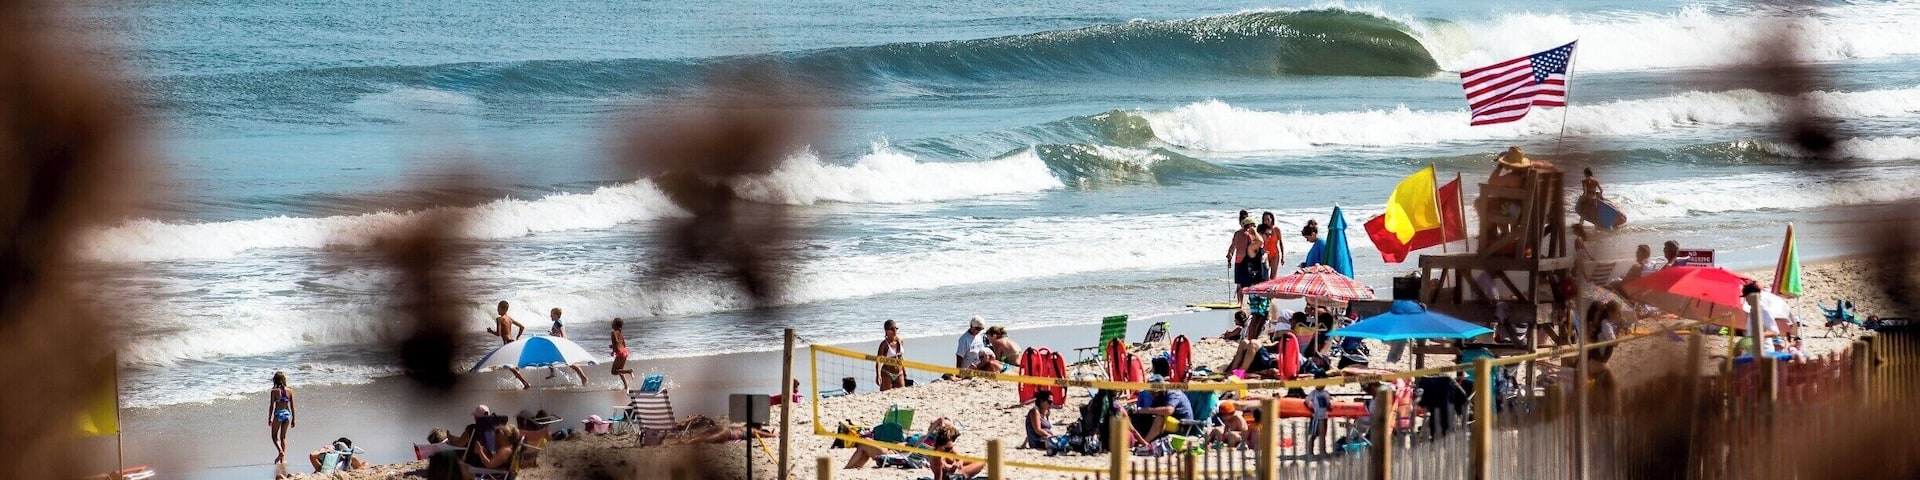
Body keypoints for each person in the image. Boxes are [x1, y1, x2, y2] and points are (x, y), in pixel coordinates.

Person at [1128, 376, 1194, 441]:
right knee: (1140, 417)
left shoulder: (1173, 393)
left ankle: (1145, 443)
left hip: (1183, 425)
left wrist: (1146, 410)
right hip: (1170, 422)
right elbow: (1153, 409)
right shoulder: (1158, 396)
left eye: (1154, 392)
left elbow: (1169, 411)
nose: (1152, 395)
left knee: (1159, 418)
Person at [487, 301, 532, 389]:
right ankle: (520, 378)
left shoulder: (499, 319)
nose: (497, 310)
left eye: (498, 308)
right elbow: (522, 327)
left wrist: (490, 331)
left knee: (509, 365)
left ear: (503, 309)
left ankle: (525, 383)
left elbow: (498, 334)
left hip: (507, 343)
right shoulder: (509, 318)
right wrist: (518, 337)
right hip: (512, 342)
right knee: (510, 365)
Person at [542, 307, 591, 383]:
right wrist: (552, 334)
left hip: (560, 344)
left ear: (556, 315)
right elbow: (558, 334)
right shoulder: (557, 322)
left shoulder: (558, 322)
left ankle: (583, 377)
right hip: (558, 344)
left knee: (569, 362)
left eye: (551, 314)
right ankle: (552, 372)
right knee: (548, 356)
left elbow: (562, 331)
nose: (550, 316)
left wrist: (564, 340)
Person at [1227, 216, 1265, 305]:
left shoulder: (1237, 233)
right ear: (1250, 225)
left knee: (1239, 284)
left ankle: (1240, 303)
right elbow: (1260, 243)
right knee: (1250, 283)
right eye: (1254, 226)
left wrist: (1230, 257)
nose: (1255, 227)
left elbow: (1232, 247)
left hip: (1237, 260)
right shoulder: (1249, 235)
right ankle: (1251, 301)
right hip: (1246, 261)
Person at [268, 371, 296, 464]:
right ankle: (282, 459)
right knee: (283, 437)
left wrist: (269, 418)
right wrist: (293, 419)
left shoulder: (274, 391)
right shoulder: (290, 391)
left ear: (275, 380)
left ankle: (280, 451)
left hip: (278, 414)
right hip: (287, 414)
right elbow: (292, 406)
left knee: (274, 435)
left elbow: (272, 406)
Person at [876, 319, 906, 391]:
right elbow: (879, 361)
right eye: (892, 329)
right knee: (885, 394)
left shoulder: (900, 340)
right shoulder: (884, 344)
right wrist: (878, 375)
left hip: (899, 372)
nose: (895, 330)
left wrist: (904, 371)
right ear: (886, 330)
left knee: (901, 393)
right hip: (887, 373)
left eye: (896, 328)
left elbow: (901, 357)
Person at [1306, 384, 1332, 456]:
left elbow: (1328, 403)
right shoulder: (1313, 393)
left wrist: (1329, 407)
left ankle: (1323, 451)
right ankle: (1310, 451)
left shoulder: (1326, 393)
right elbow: (1306, 401)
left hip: (1324, 417)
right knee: (1314, 435)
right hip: (1316, 418)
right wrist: (1311, 408)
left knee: (1323, 435)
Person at [1260, 211, 1286, 278]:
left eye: (1268, 219)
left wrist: (1283, 256)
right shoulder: (1261, 230)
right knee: (1264, 276)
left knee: (1273, 276)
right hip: (1265, 254)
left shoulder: (1276, 230)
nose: (1266, 221)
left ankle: (1272, 288)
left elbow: (1280, 243)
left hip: (1275, 254)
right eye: (1265, 220)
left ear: (1272, 219)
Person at [610, 318, 632, 391]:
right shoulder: (621, 332)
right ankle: (626, 386)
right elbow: (624, 344)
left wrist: (613, 351)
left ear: (615, 325)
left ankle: (629, 371)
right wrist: (614, 347)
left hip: (620, 353)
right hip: (625, 352)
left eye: (613, 322)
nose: (611, 323)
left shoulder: (613, 333)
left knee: (614, 371)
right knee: (620, 370)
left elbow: (615, 343)